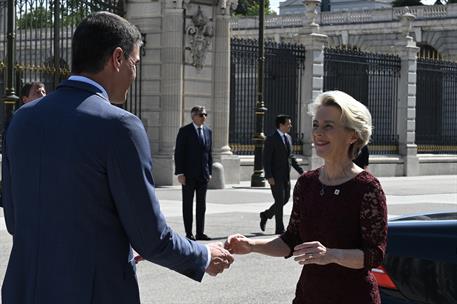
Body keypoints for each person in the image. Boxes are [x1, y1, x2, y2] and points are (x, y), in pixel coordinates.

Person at [1, 12, 233, 304]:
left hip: (23, 291)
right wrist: (203, 254)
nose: (135, 74)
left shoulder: (21, 120)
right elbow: (151, 238)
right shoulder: (120, 125)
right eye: (135, 63)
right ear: (118, 58)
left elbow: (16, 219)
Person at [226, 90, 387, 304]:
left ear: (353, 135)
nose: (318, 133)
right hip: (308, 296)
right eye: (316, 125)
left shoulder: (367, 188)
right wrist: (252, 246)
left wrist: (330, 254)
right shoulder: (307, 183)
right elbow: (291, 240)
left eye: (328, 126)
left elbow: (375, 254)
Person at [260, 114, 304, 234]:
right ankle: (279, 228)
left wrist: (301, 171)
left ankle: (266, 214)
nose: (290, 125)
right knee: (279, 201)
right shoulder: (271, 138)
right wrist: (269, 176)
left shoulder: (288, 138)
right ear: (281, 124)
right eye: (288, 123)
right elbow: (266, 159)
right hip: (275, 176)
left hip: (286, 175)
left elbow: (291, 157)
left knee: (285, 199)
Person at [174, 106, 213, 241]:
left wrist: (210, 172)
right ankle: (189, 232)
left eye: (205, 115)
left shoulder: (208, 131)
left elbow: (209, 153)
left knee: (201, 206)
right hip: (188, 175)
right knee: (188, 204)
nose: (204, 118)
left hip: (203, 175)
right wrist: (180, 173)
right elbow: (179, 153)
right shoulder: (185, 131)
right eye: (201, 115)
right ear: (193, 116)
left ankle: (200, 232)